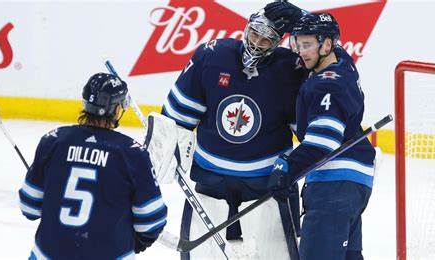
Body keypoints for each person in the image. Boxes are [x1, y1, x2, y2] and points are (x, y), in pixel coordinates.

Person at [158, 2, 305, 259]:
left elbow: (308, 134)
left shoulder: (290, 69)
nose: (257, 42)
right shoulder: (212, 56)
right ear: (246, 28)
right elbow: (176, 117)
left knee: (276, 253)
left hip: (266, 180)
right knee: (202, 253)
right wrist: (166, 154)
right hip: (212, 177)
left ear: (277, 43)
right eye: (254, 33)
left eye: (266, 40)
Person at [18, 73, 167, 259]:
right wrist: (139, 241)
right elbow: (152, 222)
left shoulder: (53, 141)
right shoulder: (132, 154)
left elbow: (29, 207)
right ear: (116, 109)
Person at [268, 12, 376, 260]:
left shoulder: (326, 85)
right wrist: (300, 15)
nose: (301, 52)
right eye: (298, 43)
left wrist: (286, 168)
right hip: (354, 183)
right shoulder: (343, 63)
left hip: (334, 187)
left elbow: (322, 144)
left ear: (327, 45)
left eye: (307, 45)